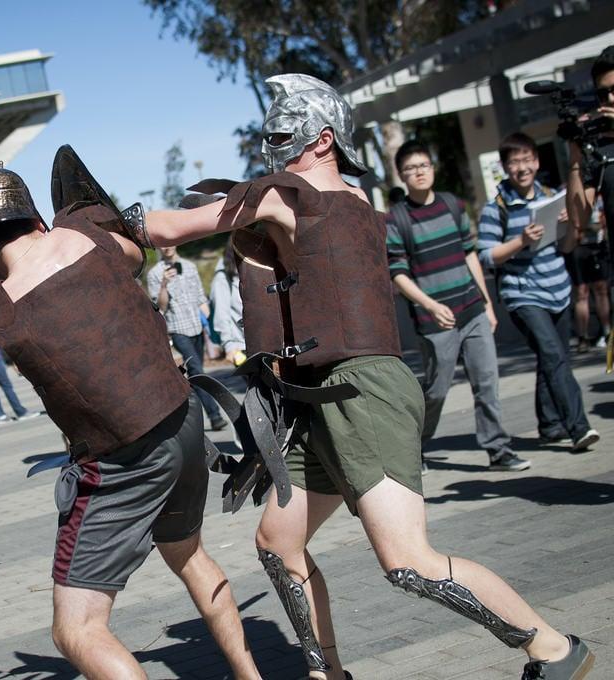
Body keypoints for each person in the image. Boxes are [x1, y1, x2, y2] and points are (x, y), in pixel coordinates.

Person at [143, 74, 593, 680]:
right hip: (319, 395)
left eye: (284, 132)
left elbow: (169, 228)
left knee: (409, 562)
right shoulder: (356, 198)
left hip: (364, 388)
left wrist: (95, 225)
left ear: (322, 138)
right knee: (279, 541)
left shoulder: (289, 194)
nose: (272, 146)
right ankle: (326, 673)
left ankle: (554, 651)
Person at [0, 155, 261, 678]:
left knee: (77, 629)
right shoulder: (91, 238)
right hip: (181, 418)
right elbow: (132, 252)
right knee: (189, 556)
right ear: (38, 219)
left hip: (124, 457)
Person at [386, 139, 528, 473]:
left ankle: (498, 448)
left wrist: (487, 303)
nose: (419, 172)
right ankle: (415, 445)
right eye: (411, 168)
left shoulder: (453, 205)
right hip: (436, 320)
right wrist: (431, 305)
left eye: (423, 165)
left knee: (487, 381)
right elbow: (397, 274)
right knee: (436, 390)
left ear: (432, 168)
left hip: (472, 309)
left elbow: (469, 254)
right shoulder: (397, 220)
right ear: (402, 176)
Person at [478, 132, 600, 452]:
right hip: (523, 294)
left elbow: (568, 246)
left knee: (554, 358)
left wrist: (569, 225)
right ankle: (579, 426)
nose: (521, 167)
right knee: (554, 357)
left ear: (536, 161)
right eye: (514, 162)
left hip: (557, 288)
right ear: (504, 167)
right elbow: (486, 255)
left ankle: (549, 424)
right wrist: (521, 241)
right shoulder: (497, 208)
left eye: (526, 160)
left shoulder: (551, 196)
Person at [147, 247, 229, 431]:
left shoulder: (190, 267)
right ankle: (215, 416)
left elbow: (201, 298)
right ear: (159, 247)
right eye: (163, 244)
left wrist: (213, 328)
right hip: (178, 329)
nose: (167, 247)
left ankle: (187, 416)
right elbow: (160, 306)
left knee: (195, 376)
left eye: (170, 242)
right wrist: (164, 285)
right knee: (197, 370)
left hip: (197, 327)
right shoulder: (154, 273)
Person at [567, 45, 614, 293]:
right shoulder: (598, 150)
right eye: (603, 94)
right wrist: (575, 156)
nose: (610, 100)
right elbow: (578, 220)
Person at [564, 201, 610, 351]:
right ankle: (583, 336)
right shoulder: (567, 193)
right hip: (578, 246)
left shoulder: (599, 191)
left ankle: (607, 331)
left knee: (601, 289)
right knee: (581, 292)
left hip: (597, 245)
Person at [210, 246, 246, 366]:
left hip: (262, 341)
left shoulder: (249, 272)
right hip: (240, 347)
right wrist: (229, 345)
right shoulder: (222, 278)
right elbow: (221, 314)